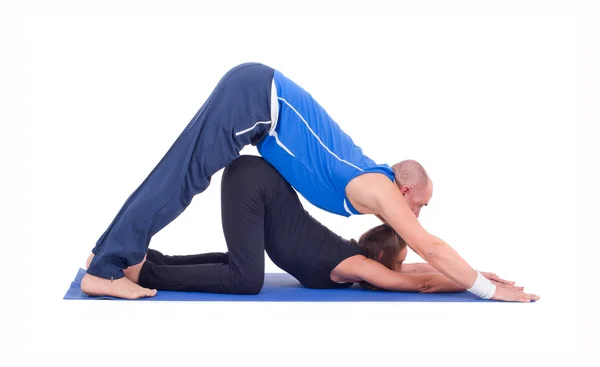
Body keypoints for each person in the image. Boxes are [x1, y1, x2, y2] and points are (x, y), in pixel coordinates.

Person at [82, 62, 538, 302]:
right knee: (181, 178)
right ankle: (105, 269)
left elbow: (416, 268)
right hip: (257, 98)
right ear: (404, 191)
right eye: (420, 204)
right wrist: (489, 290)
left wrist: (474, 275)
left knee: (180, 174)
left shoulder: (373, 185)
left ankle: (105, 255)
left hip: (256, 97)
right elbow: (429, 248)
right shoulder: (379, 190)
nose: (416, 215)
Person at [84, 156, 523, 297]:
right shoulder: (357, 266)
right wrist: (475, 285)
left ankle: (135, 258)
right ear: (384, 258)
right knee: (246, 278)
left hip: (255, 181)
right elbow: (420, 283)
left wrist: (475, 271)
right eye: (401, 257)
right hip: (255, 183)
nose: (402, 265)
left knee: (240, 263)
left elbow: (412, 273)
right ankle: (143, 272)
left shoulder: (358, 258)